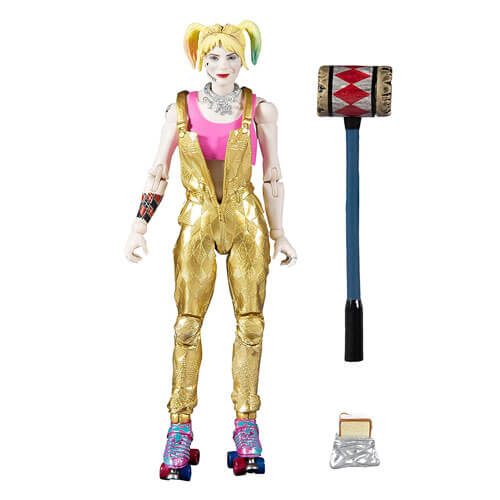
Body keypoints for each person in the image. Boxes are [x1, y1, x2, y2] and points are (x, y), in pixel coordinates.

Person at [124, 20, 296, 478]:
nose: (223, 65)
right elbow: (158, 170)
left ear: (244, 60)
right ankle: (179, 427)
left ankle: (247, 424)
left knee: (251, 324)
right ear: (200, 59)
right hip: (197, 218)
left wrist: (279, 232)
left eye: (232, 56)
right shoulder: (180, 109)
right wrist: (140, 225)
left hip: (245, 219)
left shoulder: (260, 109)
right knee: (187, 325)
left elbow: (272, 174)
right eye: (214, 56)